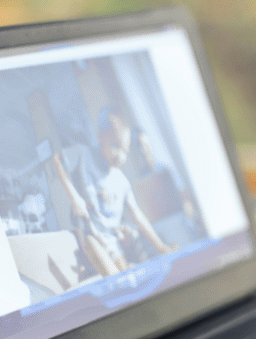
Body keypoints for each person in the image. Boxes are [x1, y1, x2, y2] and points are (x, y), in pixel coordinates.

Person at [52, 107, 174, 277]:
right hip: (90, 235)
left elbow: (137, 215)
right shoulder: (83, 154)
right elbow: (57, 160)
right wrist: (75, 198)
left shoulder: (122, 182)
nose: (120, 155)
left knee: (128, 276)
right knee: (112, 273)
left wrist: (160, 246)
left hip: (114, 242)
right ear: (101, 137)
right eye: (115, 145)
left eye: (125, 150)